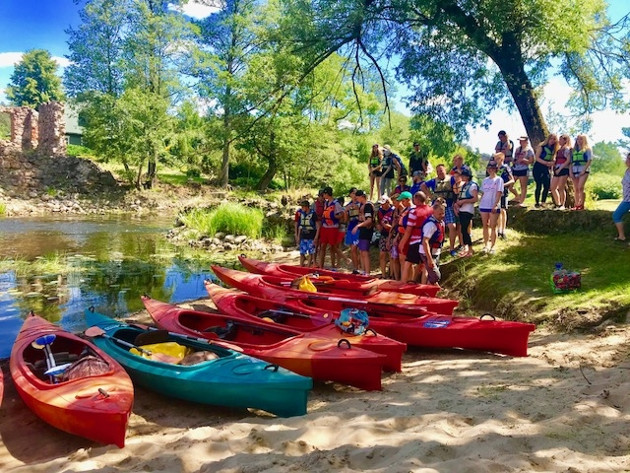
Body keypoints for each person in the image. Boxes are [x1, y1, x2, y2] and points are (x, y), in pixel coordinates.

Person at [422, 164, 458, 256]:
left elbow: (458, 187)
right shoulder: (434, 181)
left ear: (445, 170)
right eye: (437, 171)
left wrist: (456, 201)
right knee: (433, 226)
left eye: (441, 170)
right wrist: (431, 196)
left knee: (452, 226)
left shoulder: (451, 179)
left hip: (449, 205)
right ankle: (432, 247)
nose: (439, 172)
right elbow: (423, 186)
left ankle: (452, 248)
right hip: (437, 206)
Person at [399, 191, 433, 282]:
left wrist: (402, 242)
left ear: (416, 200)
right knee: (425, 265)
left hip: (415, 241)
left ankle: (403, 285)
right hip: (428, 240)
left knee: (407, 263)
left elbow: (409, 230)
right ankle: (422, 286)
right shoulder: (431, 210)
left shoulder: (413, 212)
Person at [417, 202, 446, 284]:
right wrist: (429, 259)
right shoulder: (431, 225)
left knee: (432, 273)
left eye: (443, 213)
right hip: (427, 253)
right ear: (433, 213)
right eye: (439, 214)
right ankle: (427, 289)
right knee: (436, 276)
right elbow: (425, 241)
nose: (441, 216)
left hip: (436, 251)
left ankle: (429, 289)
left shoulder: (441, 223)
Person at [479, 160, 504, 254]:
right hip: (484, 205)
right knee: (485, 226)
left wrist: (495, 204)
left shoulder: (499, 180)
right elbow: (482, 192)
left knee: (493, 226)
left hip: (493, 205)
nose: (491, 170)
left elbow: (499, 192)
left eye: (493, 168)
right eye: (489, 168)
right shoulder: (485, 180)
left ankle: (492, 246)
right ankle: (486, 245)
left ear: (496, 169)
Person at [453, 168, 478, 257]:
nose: (461, 177)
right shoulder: (464, 185)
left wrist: (463, 202)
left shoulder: (473, 185)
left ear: (467, 176)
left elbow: (475, 198)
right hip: (461, 210)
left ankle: (470, 249)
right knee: (463, 230)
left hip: (468, 210)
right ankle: (466, 248)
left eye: (463, 176)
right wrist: (457, 205)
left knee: (464, 230)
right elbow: (460, 197)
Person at [318, 186, 345, 268]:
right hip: (325, 227)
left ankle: (334, 265)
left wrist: (335, 217)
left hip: (333, 227)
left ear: (327, 194)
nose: (323, 196)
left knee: (333, 247)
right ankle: (321, 266)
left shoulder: (336, 203)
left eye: (324, 194)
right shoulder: (326, 203)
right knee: (323, 246)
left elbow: (342, 214)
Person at [351, 190, 374, 275]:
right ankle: (364, 271)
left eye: (357, 198)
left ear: (361, 197)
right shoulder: (362, 205)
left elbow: (369, 220)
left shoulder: (367, 206)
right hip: (362, 230)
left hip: (366, 230)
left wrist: (358, 226)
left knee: (365, 251)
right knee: (361, 251)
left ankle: (367, 272)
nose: (356, 199)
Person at [493, 152, 514, 240]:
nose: (496, 161)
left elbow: (512, 180)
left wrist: (504, 185)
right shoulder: (494, 169)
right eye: (495, 159)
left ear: (501, 159)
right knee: (498, 210)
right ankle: (498, 230)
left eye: (498, 158)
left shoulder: (506, 168)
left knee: (503, 210)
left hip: (503, 191)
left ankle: (503, 230)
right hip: (495, 192)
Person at [533, 134, 558, 208]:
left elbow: (553, 158)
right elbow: (537, 158)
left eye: (554, 139)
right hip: (538, 167)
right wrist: (546, 163)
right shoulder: (542, 147)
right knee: (539, 185)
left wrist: (552, 163)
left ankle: (543, 201)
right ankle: (537, 202)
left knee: (547, 185)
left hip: (546, 168)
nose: (552, 141)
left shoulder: (554, 149)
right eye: (551, 139)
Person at [570, 134, 593, 210]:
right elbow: (570, 162)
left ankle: (582, 204)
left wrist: (583, 171)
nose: (579, 141)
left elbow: (589, 160)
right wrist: (571, 172)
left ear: (584, 140)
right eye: (578, 139)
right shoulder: (573, 150)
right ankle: (576, 204)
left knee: (580, 187)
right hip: (574, 170)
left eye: (581, 139)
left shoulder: (587, 149)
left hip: (583, 170)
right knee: (576, 188)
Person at [294, 200, 319, 267]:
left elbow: (317, 226)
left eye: (303, 207)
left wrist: (316, 236)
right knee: (302, 253)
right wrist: (298, 236)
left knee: (311, 253)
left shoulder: (313, 214)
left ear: (306, 207)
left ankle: (308, 267)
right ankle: (301, 266)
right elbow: (300, 226)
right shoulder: (302, 214)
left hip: (311, 236)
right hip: (303, 236)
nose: (302, 208)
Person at [550, 134, 572, 210]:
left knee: (561, 187)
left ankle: (562, 204)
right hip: (557, 169)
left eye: (561, 140)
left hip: (564, 169)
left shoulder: (567, 149)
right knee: (553, 187)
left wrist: (561, 168)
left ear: (565, 140)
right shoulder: (559, 150)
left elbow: (568, 160)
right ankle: (558, 203)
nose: (559, 141)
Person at [613, 152, 630, 243]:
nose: (626, 161)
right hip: (626, 200)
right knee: (616, 215)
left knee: (616, 215)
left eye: (628, 159)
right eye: (627, 159)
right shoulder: (627, 171)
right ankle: (621, 236)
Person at [495, 130, 518, 199]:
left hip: (507, 163)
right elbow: (497, 152)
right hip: (500, 163)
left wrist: (507, 139)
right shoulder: (499, 143)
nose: (500, 139)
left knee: (508, 180)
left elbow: (507, 149)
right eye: (499, 137)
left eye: (501, 137)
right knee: (499, 178)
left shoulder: (510, 142)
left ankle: (516, 196)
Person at [512, 136, 534, 206]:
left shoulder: (529, 150)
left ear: (526, 141)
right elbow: (515, 158)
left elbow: (531, 161)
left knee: (523, 186)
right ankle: (517, 196)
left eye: (522, 141)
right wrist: (514, 161)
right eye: (520, 141)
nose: (520, 142)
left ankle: (521, 202)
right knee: (510, 184)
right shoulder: (517, 149)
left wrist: (524, 160)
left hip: (524, 169)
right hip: (515, 168)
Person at [376, 195, 394, 277]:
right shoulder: (379, 211)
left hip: (392, 235)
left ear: (388, 202)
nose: (382, 205)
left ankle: (391, 274)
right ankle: (383, 275)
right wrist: (379, 226)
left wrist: (389, 227)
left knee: (391, 255)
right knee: (382, 254)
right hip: (383, 234)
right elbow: (378, 221)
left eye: (383, 203)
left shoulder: (393, 211)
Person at [344, 188, 361, 271]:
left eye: (356, 193)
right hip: (350, 228)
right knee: (352, 250)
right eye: (353, 193)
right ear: (350, 194)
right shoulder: (348, 205)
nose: (355, 195)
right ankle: (355, 268)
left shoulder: (360, 204)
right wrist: (345, 212)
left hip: (358, 228)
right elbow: (345, 220)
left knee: (357, 248)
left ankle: (360, 267)